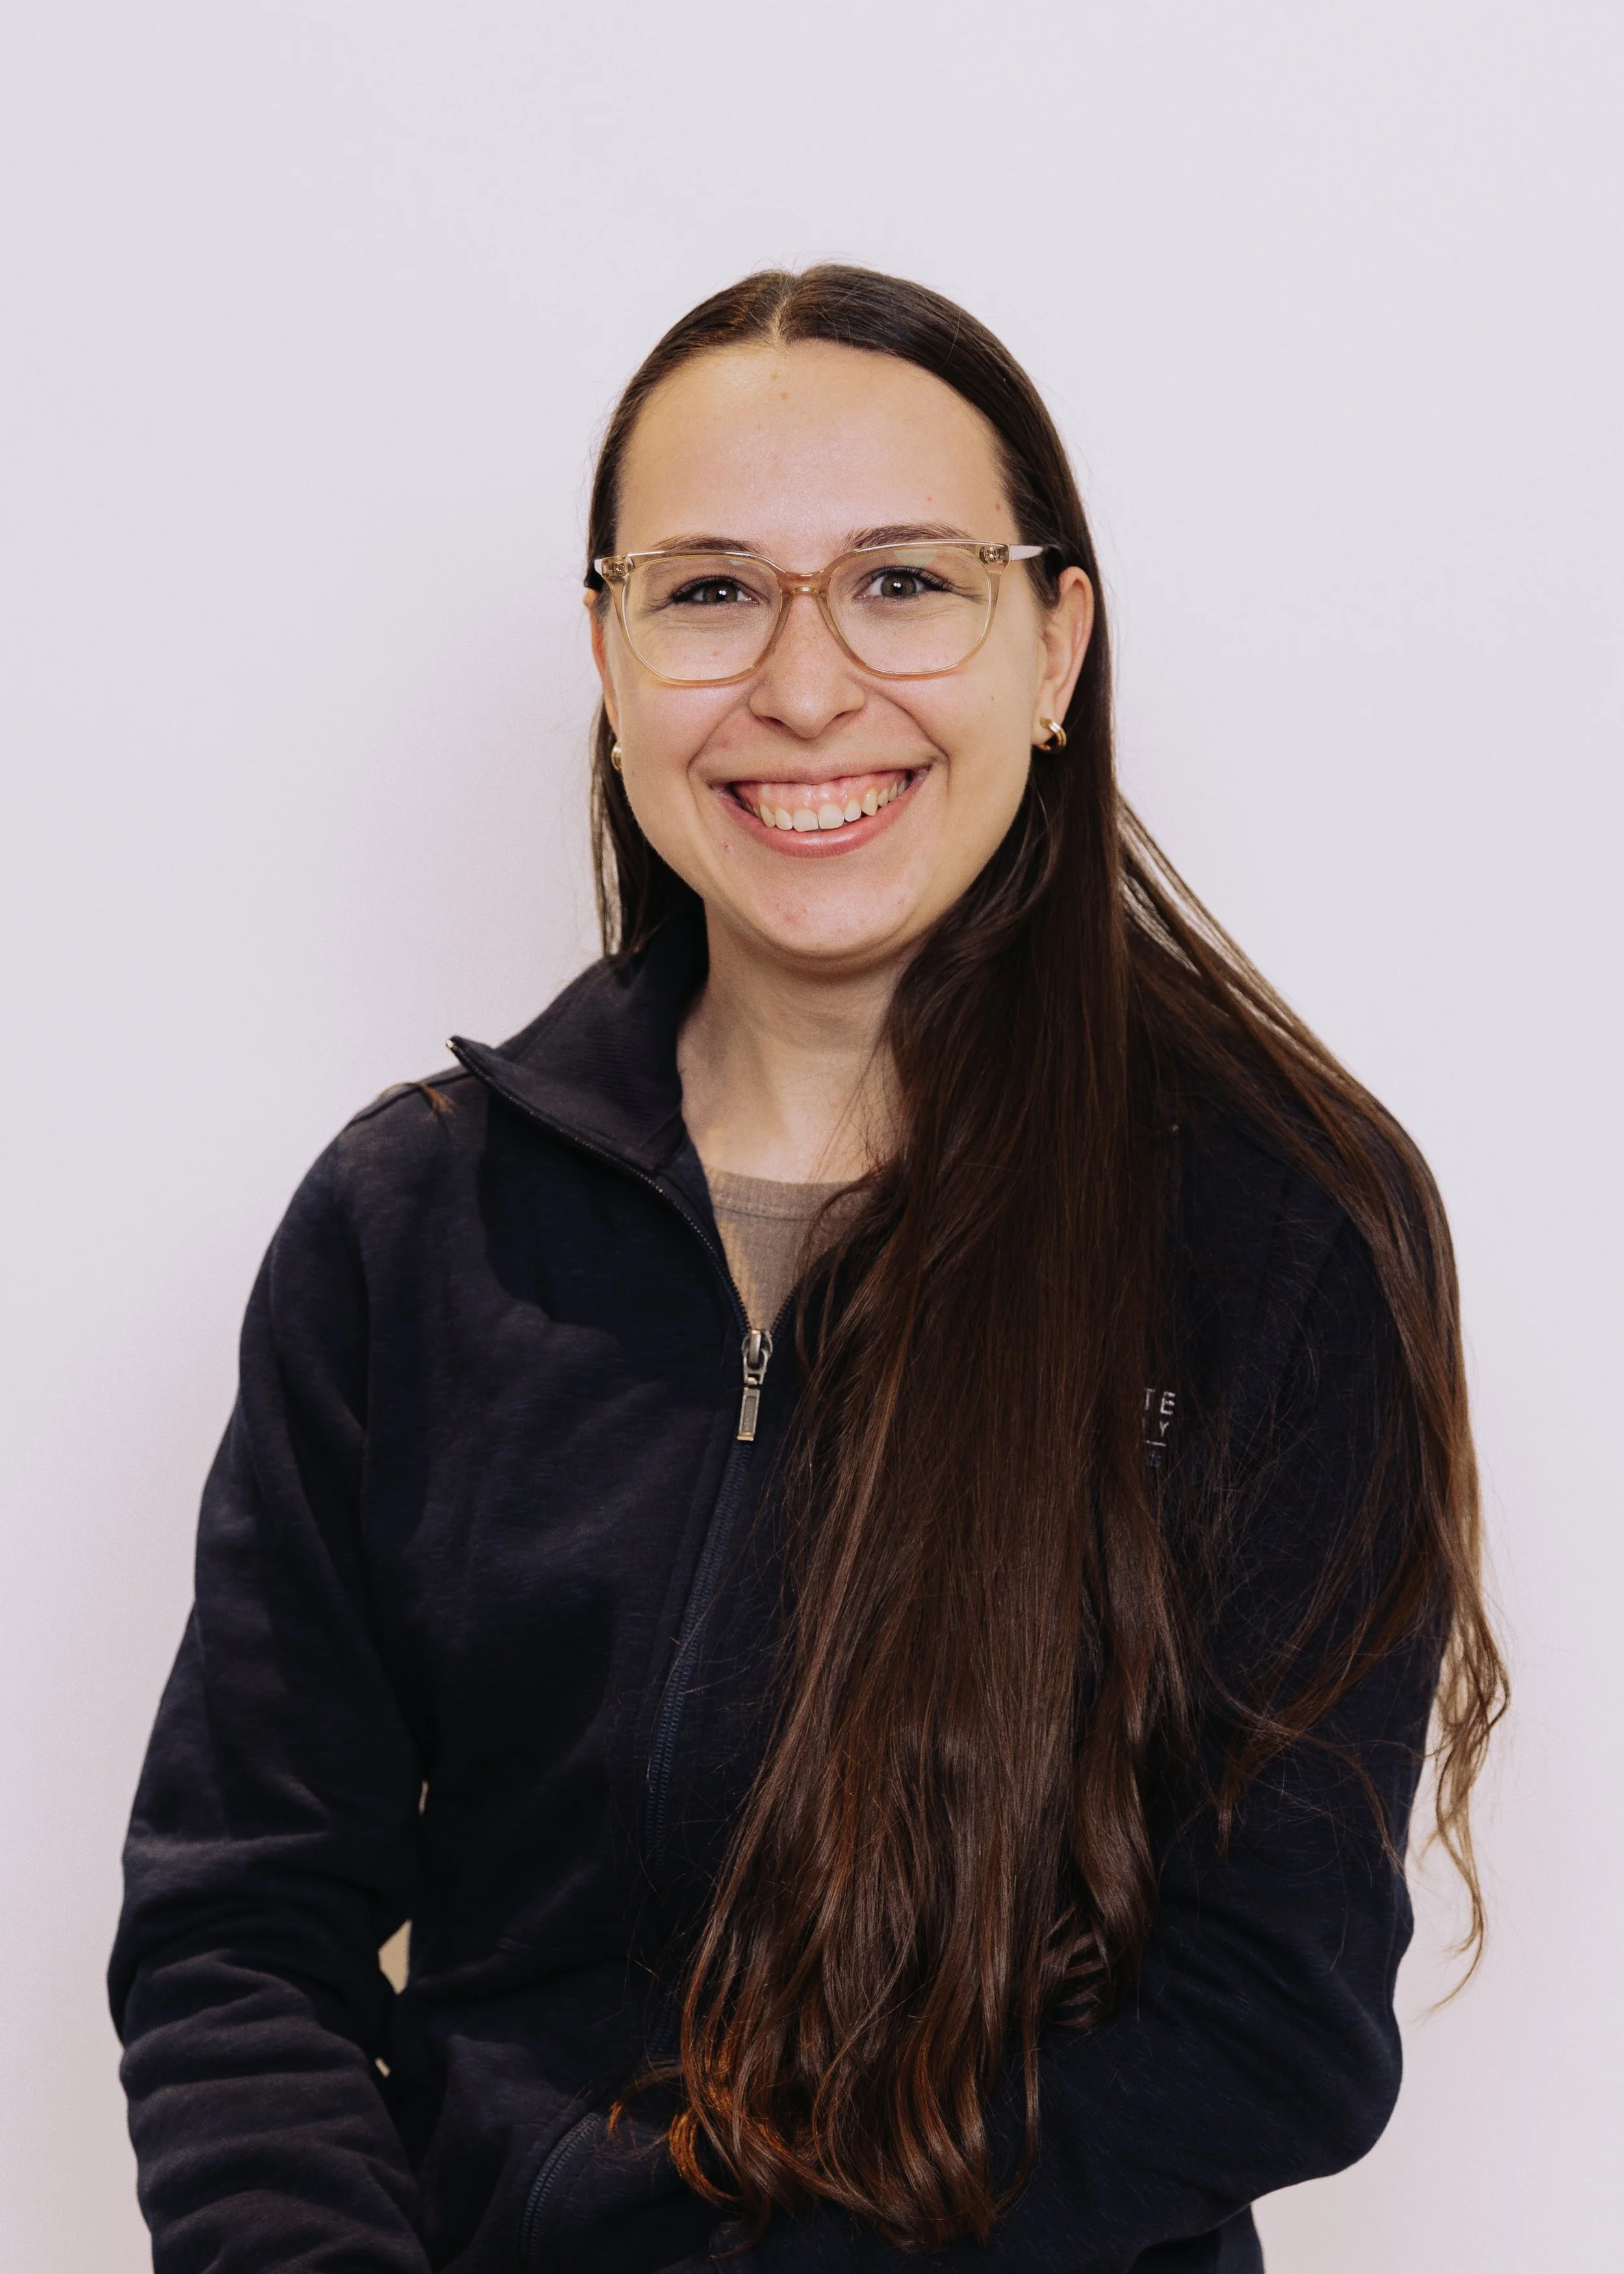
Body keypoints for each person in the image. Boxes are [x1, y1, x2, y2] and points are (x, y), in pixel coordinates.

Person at [109, 265, 1504, 2274]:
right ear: (608, 651)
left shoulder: (1276, 1228)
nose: (803, 683)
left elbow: (1269, 2016)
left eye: (902, 581)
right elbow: (242, 1924)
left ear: (1053, 644)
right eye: (707, 591)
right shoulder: (402, 1230)